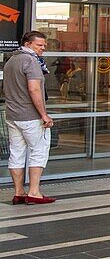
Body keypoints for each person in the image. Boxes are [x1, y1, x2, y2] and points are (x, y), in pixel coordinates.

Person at [3, 31, 57, 204]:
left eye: (44, 45)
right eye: (39, 45)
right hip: (30, 116)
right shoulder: (31, 61)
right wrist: (44, 115)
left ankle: (19, 192)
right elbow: (34, 89)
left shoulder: (11, 61)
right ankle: (34, 192)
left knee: (17, 153)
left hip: (12, 115)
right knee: (38, 151)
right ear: (27, 45)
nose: (43, 49)